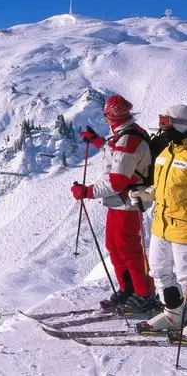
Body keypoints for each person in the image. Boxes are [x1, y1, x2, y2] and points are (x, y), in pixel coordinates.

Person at [70, 94, 155, 311]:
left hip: (128, 202)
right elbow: (113, 151)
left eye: (106, 114)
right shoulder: (125, 134)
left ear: (111, 116)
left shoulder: (128, 140)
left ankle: (144, 294)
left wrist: (86, 192)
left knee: (129, 249)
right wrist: (96, 140)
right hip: (118, 203)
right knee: (115, 247)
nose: (105, 117)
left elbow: (117, 181)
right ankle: (129, 289)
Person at [130, 105, 187, 332]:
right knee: (159, 271)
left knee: (186, 277)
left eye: (167, 123)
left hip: (183, 227)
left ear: (180, 125)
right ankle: (173, 314)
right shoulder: (165, 154)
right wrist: (146, 194)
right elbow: (162, 187)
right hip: (161, 225)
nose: (162, 128)